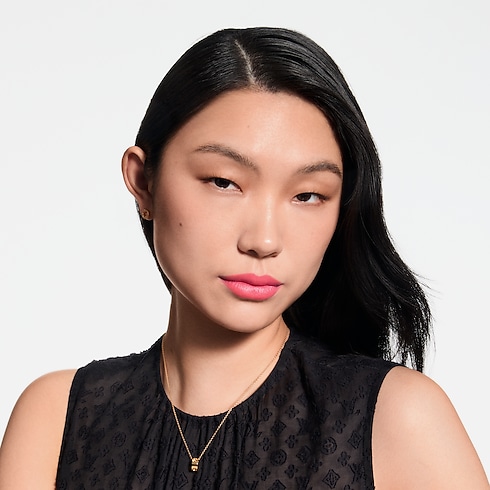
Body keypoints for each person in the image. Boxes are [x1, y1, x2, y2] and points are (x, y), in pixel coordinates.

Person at [0, 27, 487, 490]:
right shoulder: (57, 417)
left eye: (308, 195)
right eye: (224, 182)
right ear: (143, 181)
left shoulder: (396, 416)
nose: (264, 240)